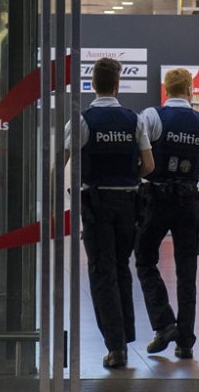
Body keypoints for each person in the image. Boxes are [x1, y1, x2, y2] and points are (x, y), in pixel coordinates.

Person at [66, 58, 154, 369]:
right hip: (128, 204)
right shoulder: (134, 120)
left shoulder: (83, 120)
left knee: (101, 272)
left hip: (97, 203)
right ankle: (126, 336)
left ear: (93, 85)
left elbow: (63, 161)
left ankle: (116, 346)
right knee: (120, 268)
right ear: (117, 86)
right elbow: (149, 166)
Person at [135, 67, 199, 360]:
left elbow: (142, 154)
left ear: (166, 89)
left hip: (156, 199)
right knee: (187, 271)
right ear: (190, 90)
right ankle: (185, 342)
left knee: (145, 259)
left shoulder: (151, 116)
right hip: (188, 201)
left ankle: (164, 323)